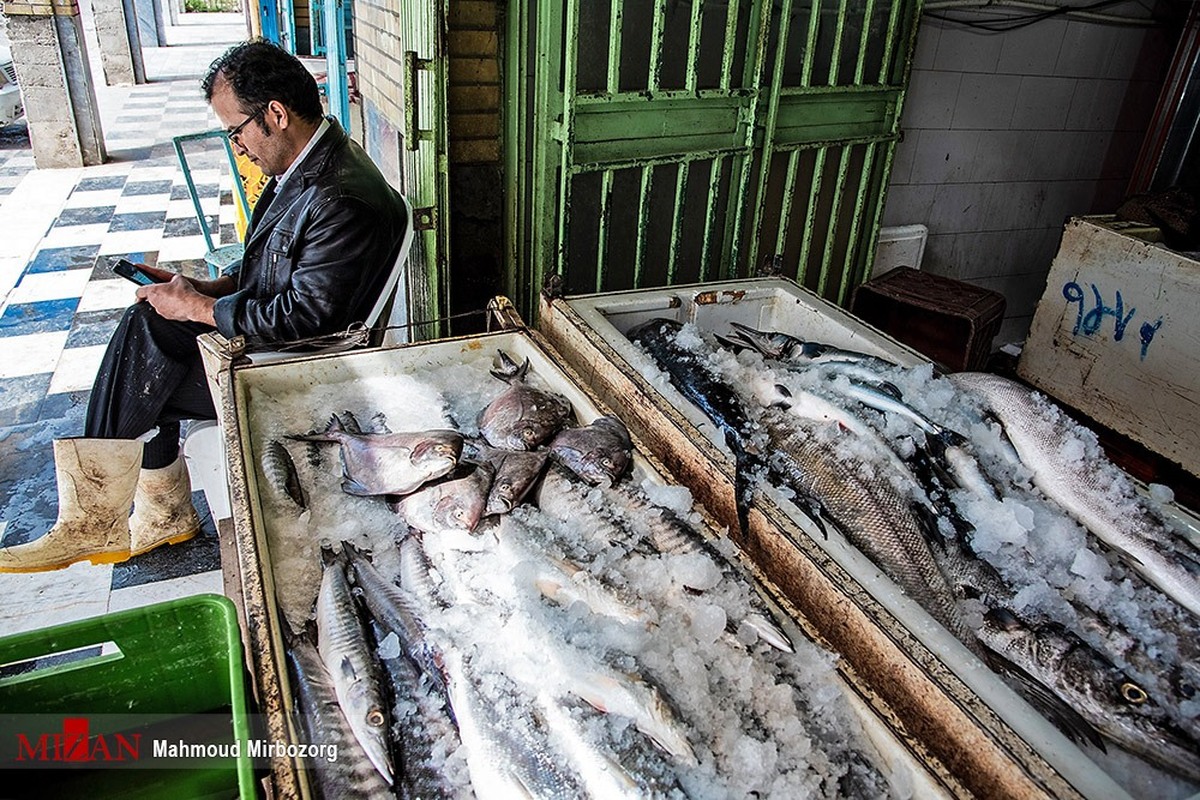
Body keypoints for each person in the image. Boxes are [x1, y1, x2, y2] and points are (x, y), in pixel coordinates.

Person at [0, 40, 408, 573]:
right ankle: (149, 514)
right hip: (279, 339)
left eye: (236, 130)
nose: (237, 146)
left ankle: (106, 518)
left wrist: (196, 307)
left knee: (146, 367)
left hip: (302, 365)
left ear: (276, 114)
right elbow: (274, 270)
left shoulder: (338, 196)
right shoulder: (308, 165)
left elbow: (305, 319)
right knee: (149, 332)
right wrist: (201, 288)